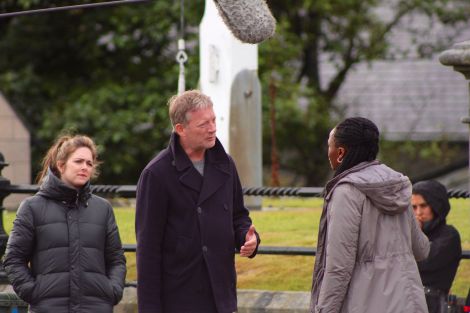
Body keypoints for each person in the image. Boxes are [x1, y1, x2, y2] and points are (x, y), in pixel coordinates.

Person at [135, 90, 260, 313]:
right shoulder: (156, 174)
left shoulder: (226, 164)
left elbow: (239, 216)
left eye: (213, 120)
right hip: (179, 299)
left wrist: (248, 239)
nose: (213, 128)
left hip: (221, 297)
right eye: (203, 124)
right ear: (180, 129)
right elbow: (148, 250)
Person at [310, 117, 430, 313]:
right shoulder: (397, 185)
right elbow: (422, 249)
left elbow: (339, 267)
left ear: (340, 153)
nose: (328, 152)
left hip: (364, 302)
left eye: (329, 146)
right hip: (409, 302)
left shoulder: (346, 191)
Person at [3, 135, 126, 313]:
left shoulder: (103, 209)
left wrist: (112, 291)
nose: (85, 167)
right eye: (78, 161)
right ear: (61, 165)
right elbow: (13, 259)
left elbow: (116, 259)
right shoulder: (32, 208)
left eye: (89, 163)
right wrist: (34, 293)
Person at [412, 180, 462, 313]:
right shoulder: (407, 234)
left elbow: (424, 261)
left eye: (423, 206)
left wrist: (415, 234)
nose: (418, 213)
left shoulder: (449, 236)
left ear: (436, 206)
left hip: (432, 305)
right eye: (414, 207)